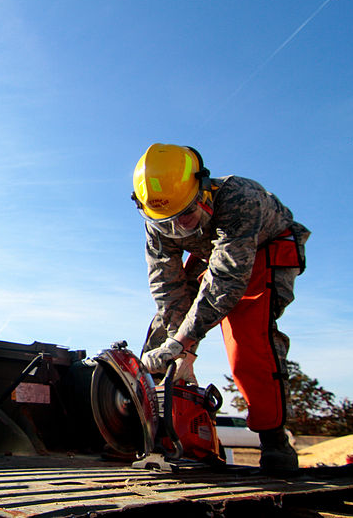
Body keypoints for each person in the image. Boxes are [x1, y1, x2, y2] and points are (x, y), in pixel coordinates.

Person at [131, 143, 310, 474]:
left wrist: (185, 341)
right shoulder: (159, 218)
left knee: (247, 332)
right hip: (211, 251)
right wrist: (176, 343)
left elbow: (226, 282)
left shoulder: (241, 198)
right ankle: (144, 425)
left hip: (263, 245)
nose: (178, 229)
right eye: (167, 223)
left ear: (203, 192)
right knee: (164, 326)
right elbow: (166, 285)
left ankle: (274, 441)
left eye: (186, 215)